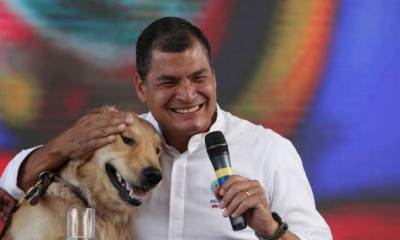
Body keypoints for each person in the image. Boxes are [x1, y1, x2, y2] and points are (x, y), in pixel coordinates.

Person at [1, 17, 332, 240]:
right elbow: (12, 190)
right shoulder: (118, 137)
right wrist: (62, 147)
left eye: (198, 77)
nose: (188, 94)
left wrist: (269, 228)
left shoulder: (269, 151)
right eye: (169, 81)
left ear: (213, 77)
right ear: (141, 88)